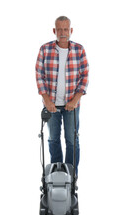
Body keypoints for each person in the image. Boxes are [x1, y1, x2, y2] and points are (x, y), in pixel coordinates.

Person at [35, 16, 89, 176]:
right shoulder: (45, 49)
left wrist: (75, 100)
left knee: (72, 140)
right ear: (54, 31)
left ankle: (71, 177)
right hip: (51, 105)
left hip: (72, 106)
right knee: (53, 139)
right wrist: (46, 100)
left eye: (66, 29)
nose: (63, 33)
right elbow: (39, 75)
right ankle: (56, 175)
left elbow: (84, 76)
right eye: (59, 29)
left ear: (71, 31)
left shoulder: (79, 50)